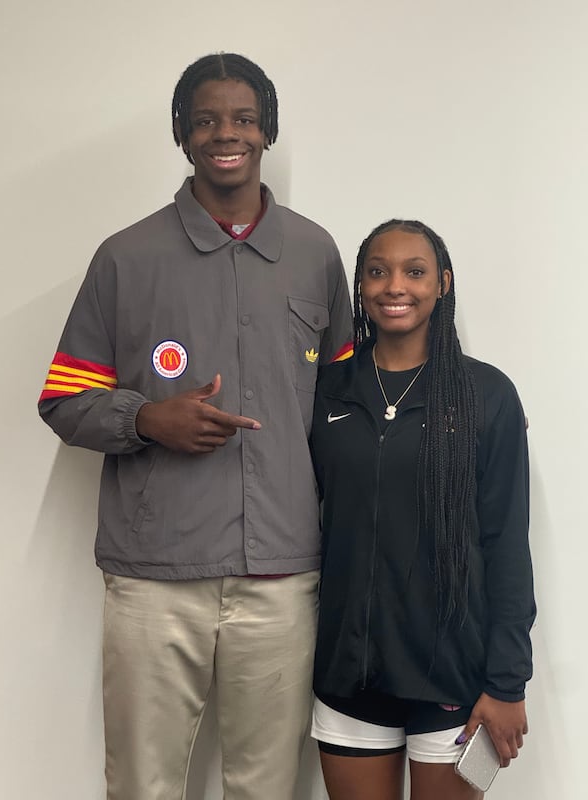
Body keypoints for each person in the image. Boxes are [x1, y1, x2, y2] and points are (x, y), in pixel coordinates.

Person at [38, 53, 352, 800]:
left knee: (266, 785)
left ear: (267, 130)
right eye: (205, 120)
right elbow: (63, 400)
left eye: (243, 118)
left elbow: (345, 408)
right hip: (154, 577)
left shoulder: (315, 254)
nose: (225, 134)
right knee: (142, 783)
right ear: (181, 134)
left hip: (282, 576)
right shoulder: (125, 257)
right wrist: (146, 418)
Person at [309, 219, 535, 800]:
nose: (395, 286)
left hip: (454, 679)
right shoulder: (328, 391)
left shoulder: (486, 395)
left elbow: (507, 543)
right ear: (360, 286)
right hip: (348, 675)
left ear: (443, 284)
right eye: (377, 271)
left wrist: (507, 682)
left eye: (414, 271)